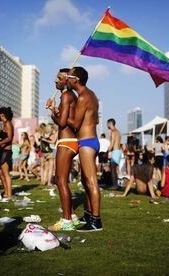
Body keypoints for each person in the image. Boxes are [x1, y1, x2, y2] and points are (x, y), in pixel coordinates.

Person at [66, 66, 103, 232]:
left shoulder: (83, 97)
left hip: (87, 142)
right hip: (89, 140)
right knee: (85, 181)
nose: (67, 78)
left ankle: (96, 221)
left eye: (69, 76)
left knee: (90, 181)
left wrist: (58, 111)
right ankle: (89, 214)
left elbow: (74, 123)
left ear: (76, 80)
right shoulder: (91, 94)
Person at [46, 68, 81, 231]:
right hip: (69, 141)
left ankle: (66, 221)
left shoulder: (66, 95)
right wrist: (54, 109)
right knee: (62, 180)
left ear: (67, 80)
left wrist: (52, 113)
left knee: (60, 180)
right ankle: (72, 216)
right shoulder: (69, 96)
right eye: (56, 77)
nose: (56, 81)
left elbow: (61, 123)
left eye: (60, 78)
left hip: (66, 141)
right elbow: (64, 117)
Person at [0, 107, 13, 199]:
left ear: (2, 114)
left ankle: (9, 194)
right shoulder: (4, 124)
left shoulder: (8, 123)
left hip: (6, 150)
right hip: (2, 149)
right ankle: (6, 192)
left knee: (5, 172)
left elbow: (9, 138)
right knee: (0, 172)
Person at [107, 118, 122, 190]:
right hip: (119, 151)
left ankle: (114, 185)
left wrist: (107, 150)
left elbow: (112, 143)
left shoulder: (113, 132)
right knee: (115, 169)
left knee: (112, 168)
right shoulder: (118, 132)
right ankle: (115, 184)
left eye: (107, 124)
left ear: (110, 123)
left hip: (115, 151)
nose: (107, 125)